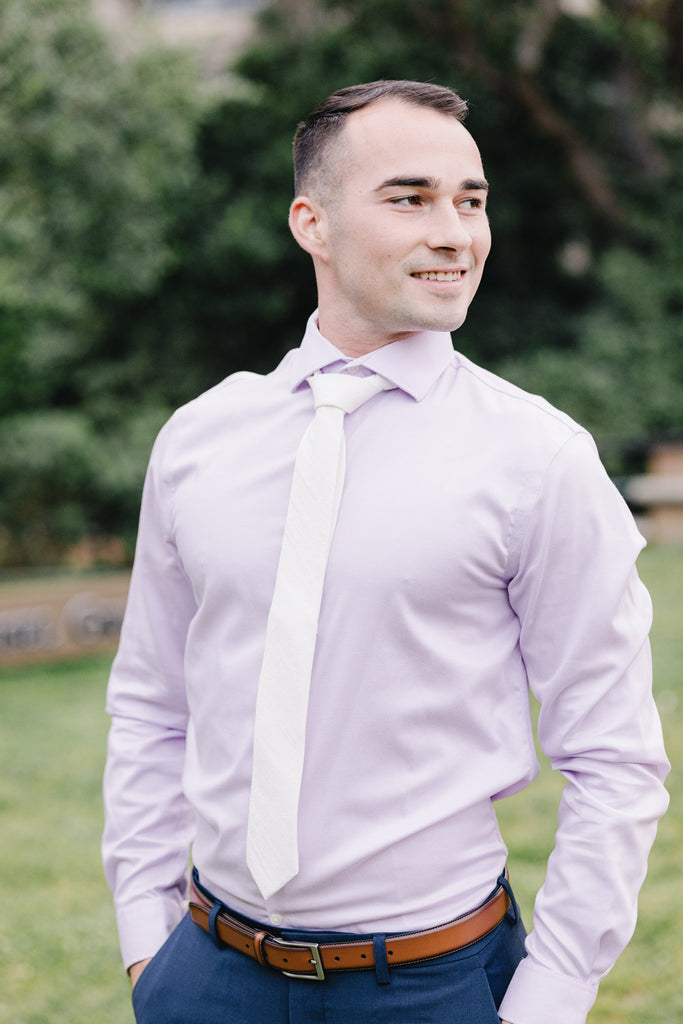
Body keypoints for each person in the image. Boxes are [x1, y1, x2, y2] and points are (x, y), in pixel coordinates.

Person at [102, 80, 669, 1024]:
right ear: (310, 223)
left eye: (471, 200)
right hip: (206, 973)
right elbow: (152, 705)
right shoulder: (199, 438)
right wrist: (144, 942)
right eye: (410, 198)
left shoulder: (539, 459)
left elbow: (614, 760)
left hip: (432, 984)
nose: (455, 232)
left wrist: (548, 1002)